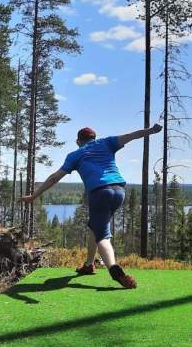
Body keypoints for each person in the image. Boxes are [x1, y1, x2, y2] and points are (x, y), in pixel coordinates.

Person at [21, 124, 162, 289]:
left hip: (100, 193)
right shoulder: (106, 143)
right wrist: (151, 131)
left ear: (78, 141)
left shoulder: (75, 155)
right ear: (94, 138)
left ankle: (113, 268)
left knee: (102, 236)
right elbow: (131, 136)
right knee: (94, 226)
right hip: (119, 191)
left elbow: (54, 178)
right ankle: (88, 265)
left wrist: (33, 196)